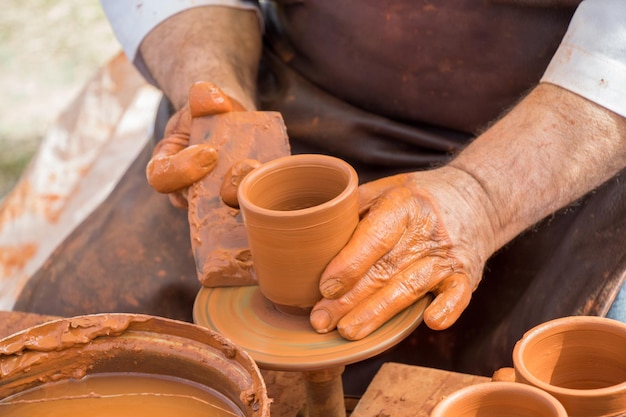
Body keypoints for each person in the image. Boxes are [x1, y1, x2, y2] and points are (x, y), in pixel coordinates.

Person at [11, 0, 626, 392]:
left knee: (512, 384)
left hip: (556, 133)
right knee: (68, 346)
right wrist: (214, 97)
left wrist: (481, 194)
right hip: (286, 85)